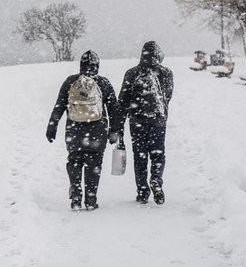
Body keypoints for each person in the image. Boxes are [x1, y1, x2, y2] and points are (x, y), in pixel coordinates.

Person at [46, 50, 122, 210]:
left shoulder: (71, 82)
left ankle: (76, 196)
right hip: (97, 132)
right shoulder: (103, 83)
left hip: (74, 130)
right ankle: (90, 200)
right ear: (97, 66)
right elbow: (114, 109)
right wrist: (115, 130)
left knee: (74, 161)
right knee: (94, 164)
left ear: (81, 65)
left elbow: (59, 105)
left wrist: (52, 125)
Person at [118, 41, 174, 205]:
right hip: (158, 120)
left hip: (137, 121)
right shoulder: (166, 73)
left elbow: (123, 101)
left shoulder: (132, 73)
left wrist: (118, 126)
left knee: (140, 157)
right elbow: (168, 96)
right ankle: (156, 178)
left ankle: (142, 192)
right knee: (158, 154)